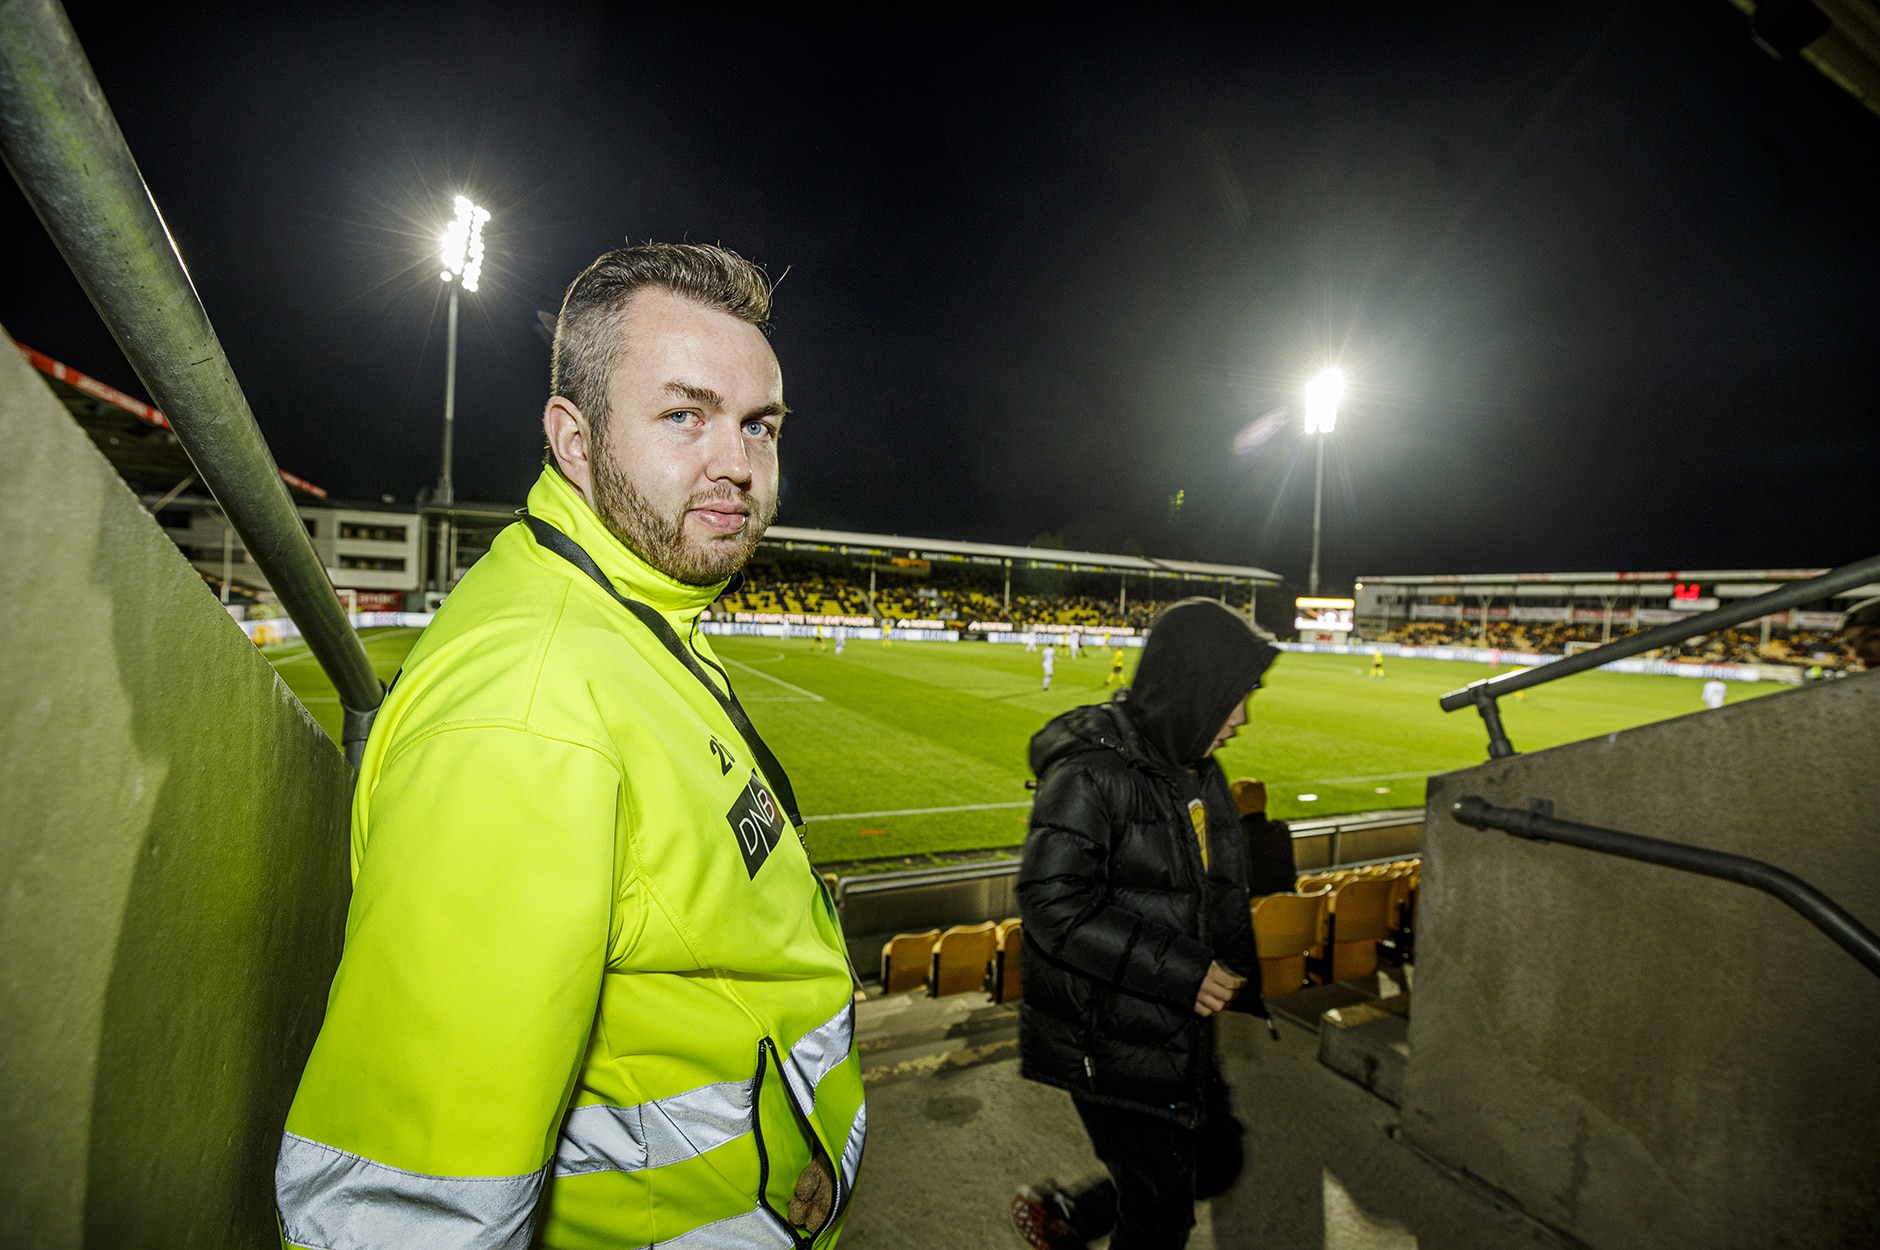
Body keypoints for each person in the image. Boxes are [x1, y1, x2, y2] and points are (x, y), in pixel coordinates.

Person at [275, 244, 865, 1250]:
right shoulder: (528, 709)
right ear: (573, 439)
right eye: (684, 414)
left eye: (756, 423)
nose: (736, 462)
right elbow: (410, 1211)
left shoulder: (628, 602)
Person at [1011, 599, 1279, 1250]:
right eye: (1233, 698)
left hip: (1178, 1020)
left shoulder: (1198, 767)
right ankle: (1087, 1216)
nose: (1241, 718)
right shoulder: (1091, 771)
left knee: (1216, 1161)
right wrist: (1186, 969)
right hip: (1107, 1036)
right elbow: (1052, 903)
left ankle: (1072, 1216)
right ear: (1191, 688)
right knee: (1161, 1217)